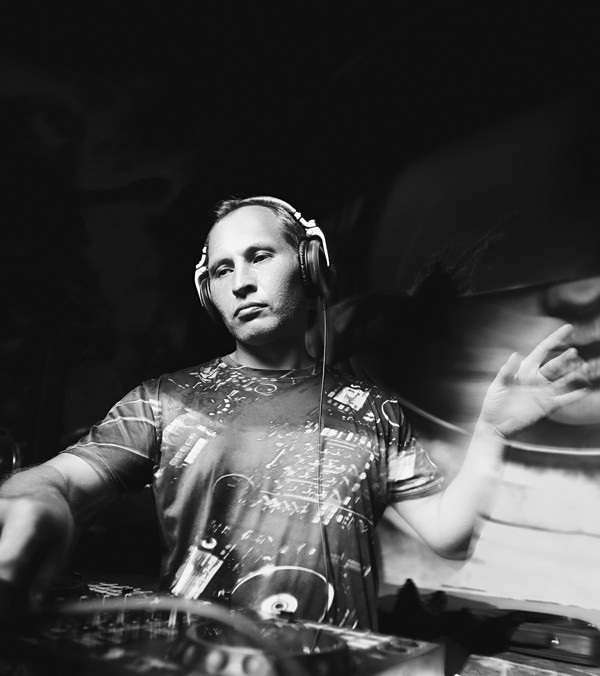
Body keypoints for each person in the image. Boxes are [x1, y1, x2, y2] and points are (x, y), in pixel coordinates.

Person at [0, 196, 592, 630]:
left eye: (259, 256)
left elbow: (449, 536)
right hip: (201, 670)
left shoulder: (374, 409)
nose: (241, 282)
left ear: (309, 266)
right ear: (208, 292)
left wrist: (491, 432)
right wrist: (33, 501)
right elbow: (60, 481)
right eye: (223, 270)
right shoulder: (164, 398)